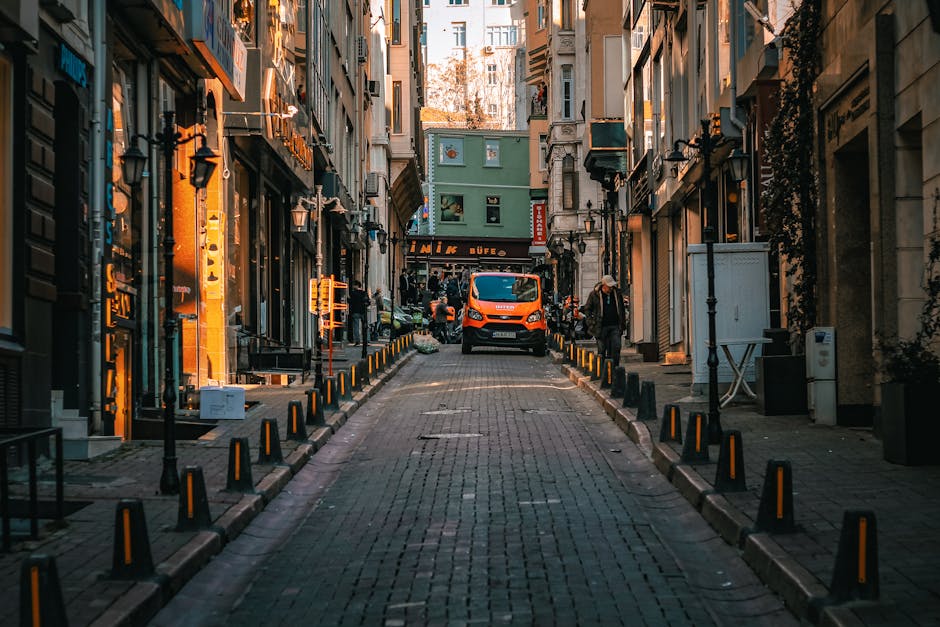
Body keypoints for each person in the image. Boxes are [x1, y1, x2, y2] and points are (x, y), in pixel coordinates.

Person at [581, 275, 627, 366]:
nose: (610, 288)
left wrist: (622, 323)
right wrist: (591, 322)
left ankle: (615, 369)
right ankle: (601, 371)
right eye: (609, 286)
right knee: (601, 349)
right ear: (603, 285)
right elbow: (587, 309)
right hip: (600, 326)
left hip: (615, 325)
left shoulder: (617, 294)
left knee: (616, 347)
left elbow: (621, 309)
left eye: (611, 286)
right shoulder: (594, 294)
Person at [348, 280, 368, 346]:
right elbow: (368, 302)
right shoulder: (364, 293)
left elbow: (350, 301)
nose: (353, 286)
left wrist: (348, 299)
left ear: (357, 285)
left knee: (356, 327)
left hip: (355, 311)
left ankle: (357, 341)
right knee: (365, 326)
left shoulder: (353, 293)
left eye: (354, 285)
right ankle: (366, 340)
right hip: (363, 311)